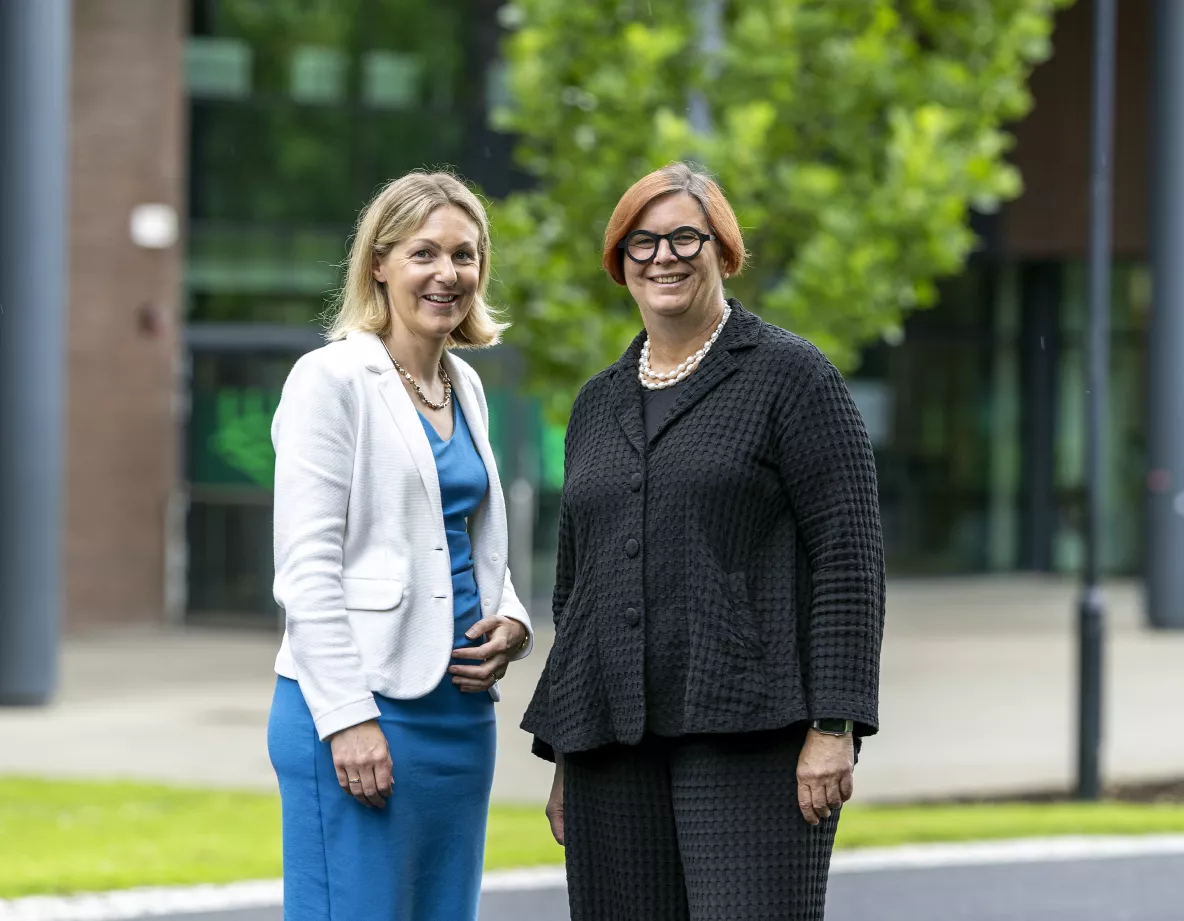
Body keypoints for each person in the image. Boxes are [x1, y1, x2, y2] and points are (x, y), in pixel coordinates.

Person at [521, 161, 885, 921]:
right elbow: (576, 587)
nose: (664, 256)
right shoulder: (597, 401)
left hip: (756, 739)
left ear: (723, 249)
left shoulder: (793, 376)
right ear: (620, 263)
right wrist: (564, 750)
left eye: (686, 236)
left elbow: (849, 563)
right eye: (641, 242)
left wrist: (835, 726)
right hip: (610, 747)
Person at [266, 170, 534, 921]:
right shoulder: (330, 380)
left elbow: (466, 534)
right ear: (379, 263)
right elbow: (306, 571)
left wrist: (510, 617)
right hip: (360, 710)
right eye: (424, 253)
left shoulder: (465, 386)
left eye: (466, 254)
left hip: (460, 714)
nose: (448, 274)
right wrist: (348, 718)